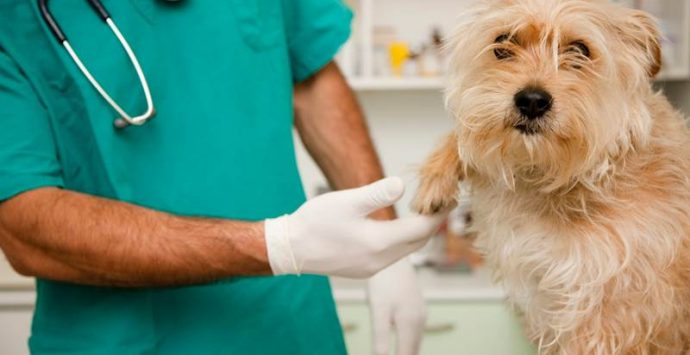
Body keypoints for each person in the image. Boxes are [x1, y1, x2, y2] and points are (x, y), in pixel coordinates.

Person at [0, 1, 443, 354]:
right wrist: (278, 244)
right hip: (122, 338)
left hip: (290, 329)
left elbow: (311, 78)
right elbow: (24, 224)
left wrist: (387, 244)